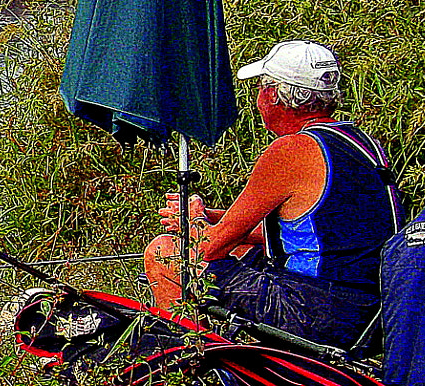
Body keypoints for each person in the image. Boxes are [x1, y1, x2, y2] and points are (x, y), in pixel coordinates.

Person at [143, 40, 403, 348]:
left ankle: (187, 363)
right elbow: (320, 233)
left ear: (273, 95)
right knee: (239, 250)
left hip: (311, 312)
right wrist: (213, 215)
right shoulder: (362, 144)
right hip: (370, 312)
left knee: (166, 253)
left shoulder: (292, 150)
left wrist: (195, 222)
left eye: (260, 88)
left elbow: (208, 249)